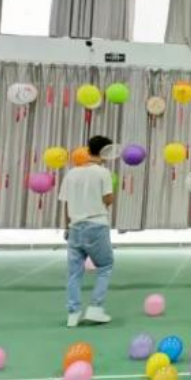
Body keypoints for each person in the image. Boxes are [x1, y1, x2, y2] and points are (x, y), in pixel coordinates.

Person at [59, 135, 116, 328]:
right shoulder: (103, 173)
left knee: (74, 273)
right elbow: (108, 200)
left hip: (75, 226)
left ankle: (73, 314)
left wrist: (66, 227)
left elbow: (66, 204)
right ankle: (95, 308)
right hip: (96, 224)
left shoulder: (71, 173)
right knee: (105, 266)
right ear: (105, 151)